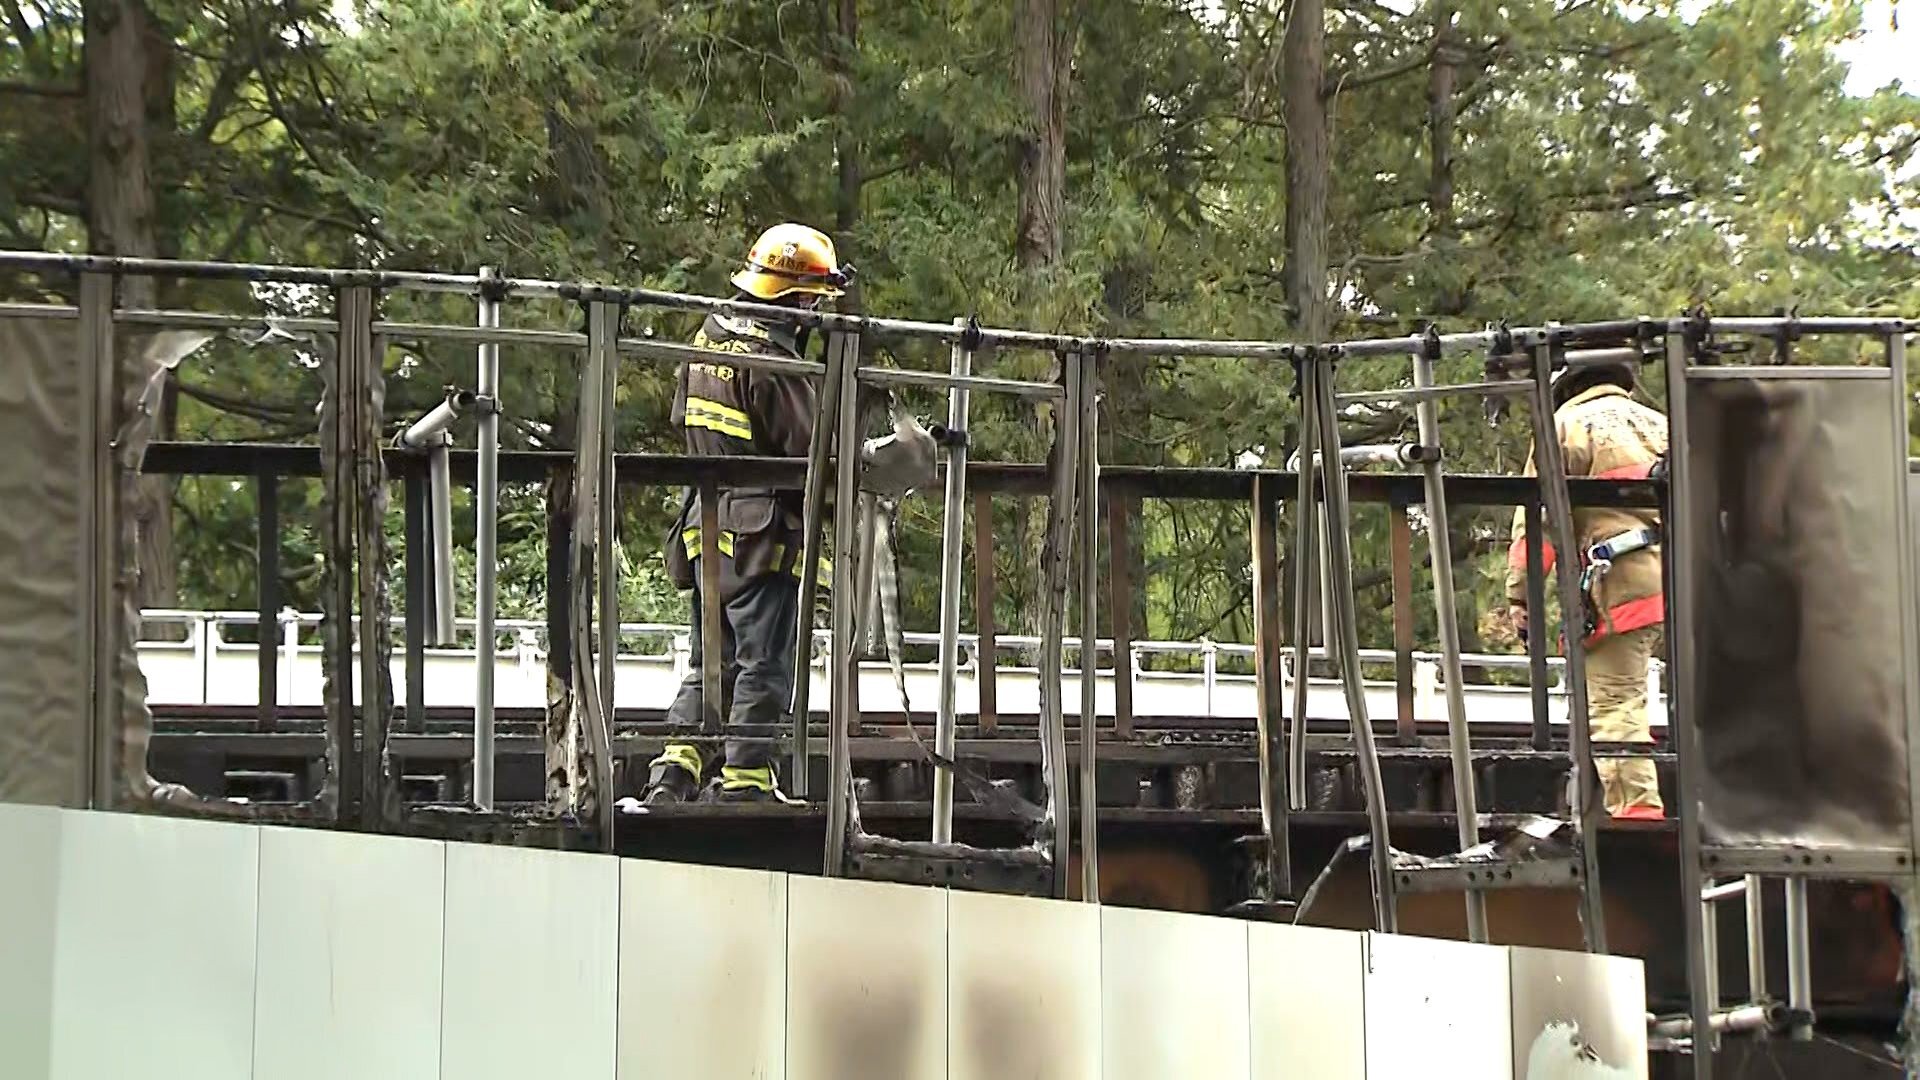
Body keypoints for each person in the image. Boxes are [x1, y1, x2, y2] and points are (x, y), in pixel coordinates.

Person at [642, 223, 849, 804]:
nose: (814, 314)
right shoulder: (774, 361)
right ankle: (746, 781)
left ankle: (674, 771)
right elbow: (812, 454)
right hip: (761, 540)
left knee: (712, 662)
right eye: (812, 301)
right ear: (792, 296)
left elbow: (683, 420)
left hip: (706, 528)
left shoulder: (707, 338)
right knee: (764, 663)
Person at [1505, 359, 1668, 820]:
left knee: (1616, 702)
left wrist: (1521, 598)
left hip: (1623, 586)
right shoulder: (1662, 424)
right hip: (1684, 578)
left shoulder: (1564, 427)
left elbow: (1538, 524)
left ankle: (1637, 816)